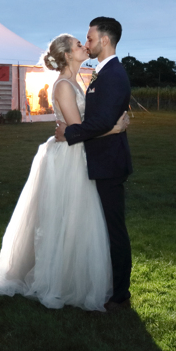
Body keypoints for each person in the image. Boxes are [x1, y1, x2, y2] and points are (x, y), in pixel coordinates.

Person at [0, 33, 129, 312]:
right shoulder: (64, 86)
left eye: (86, 42)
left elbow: (79, 128)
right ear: (68, 55)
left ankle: (75, 273)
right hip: (70, 157)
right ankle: (62, 280)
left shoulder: (76, 80)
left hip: (76, 151)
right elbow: (75, 130)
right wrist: (115, 128)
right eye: (78, 45)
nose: (84, 46)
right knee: (67, 217)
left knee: (76, 218)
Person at [55, 17, 133, 312]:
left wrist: (70, 133)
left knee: (113, 228)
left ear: (104, 40)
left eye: (89, 38)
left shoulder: (113, 74)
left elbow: (99, 122)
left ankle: (120, 295)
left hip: (109, 163)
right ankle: (106, 284)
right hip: (99, 159)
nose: (86, 44)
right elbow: (103, 121)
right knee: (101, 227)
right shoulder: (102, 73)